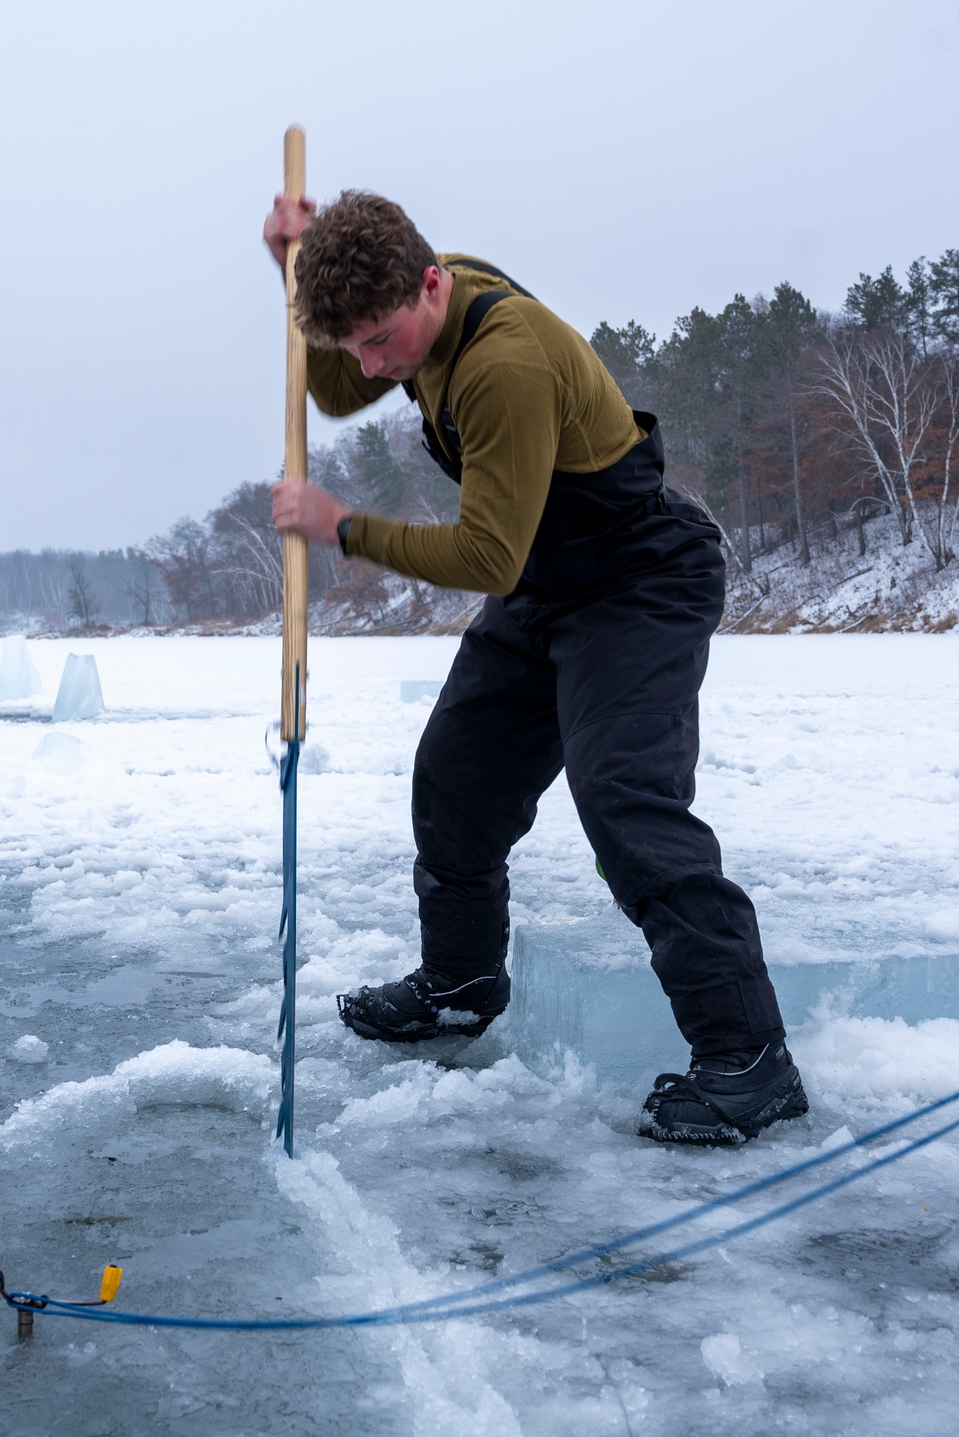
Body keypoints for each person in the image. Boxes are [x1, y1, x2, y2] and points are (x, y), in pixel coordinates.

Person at [264, 189, 809, 1147]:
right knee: (456, 782)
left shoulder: (501, 363)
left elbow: (486, 560)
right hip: (549, 583)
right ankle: (461, 984)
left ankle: (750, 1058)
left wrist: (342, 526)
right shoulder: (412, 317)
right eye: (355, 341)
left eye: (383, 338)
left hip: (638, 579)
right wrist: (293, 276)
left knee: (626, 801)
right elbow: (339, 390)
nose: (374, 364)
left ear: (432, 284)